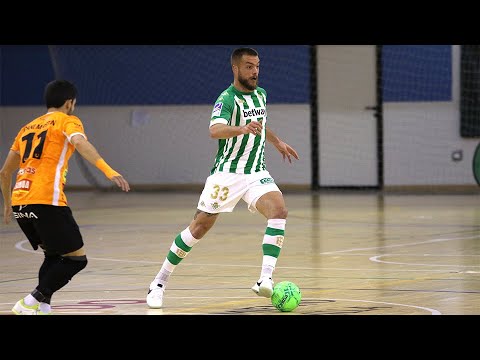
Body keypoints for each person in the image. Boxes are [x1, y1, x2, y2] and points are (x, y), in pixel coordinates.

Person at [146, 47, 299, 308]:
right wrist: (241, 128)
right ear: (236, 69)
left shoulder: (261, 95)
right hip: (227, 174)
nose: (255, 72)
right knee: (199, 227)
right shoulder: (226, 98)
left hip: (256, 172)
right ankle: (159, 282)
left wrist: (277, 141)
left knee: (279, 210)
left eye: (257, 66)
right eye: (249, 66)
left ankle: (265, 279)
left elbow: (259, 126)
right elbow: (214, 130)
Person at [0, 79, 130, 315]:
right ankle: (29, 301)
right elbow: (80, 142)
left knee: (52, 255)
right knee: (76, 260)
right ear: (69, 103)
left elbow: (5, 171)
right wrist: (109, 171)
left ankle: (43, 306)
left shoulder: (27, 127)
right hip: (46, 200)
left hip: (21, 202)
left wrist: (8, 205)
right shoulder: (68, 121)